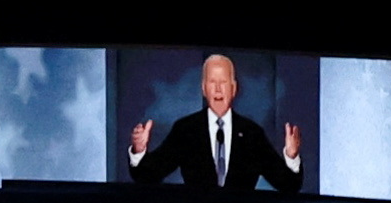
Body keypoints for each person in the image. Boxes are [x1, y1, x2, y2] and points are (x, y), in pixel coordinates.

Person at [127, 54, 303, 193]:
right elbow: (147, 176)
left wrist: (291, 156)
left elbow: (288, 185)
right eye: (212, 82)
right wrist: (139, 151)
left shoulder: (251, 133)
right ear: (204, 88)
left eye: (223, 82)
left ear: (234, 88)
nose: (218, 89)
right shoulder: (186, 129)